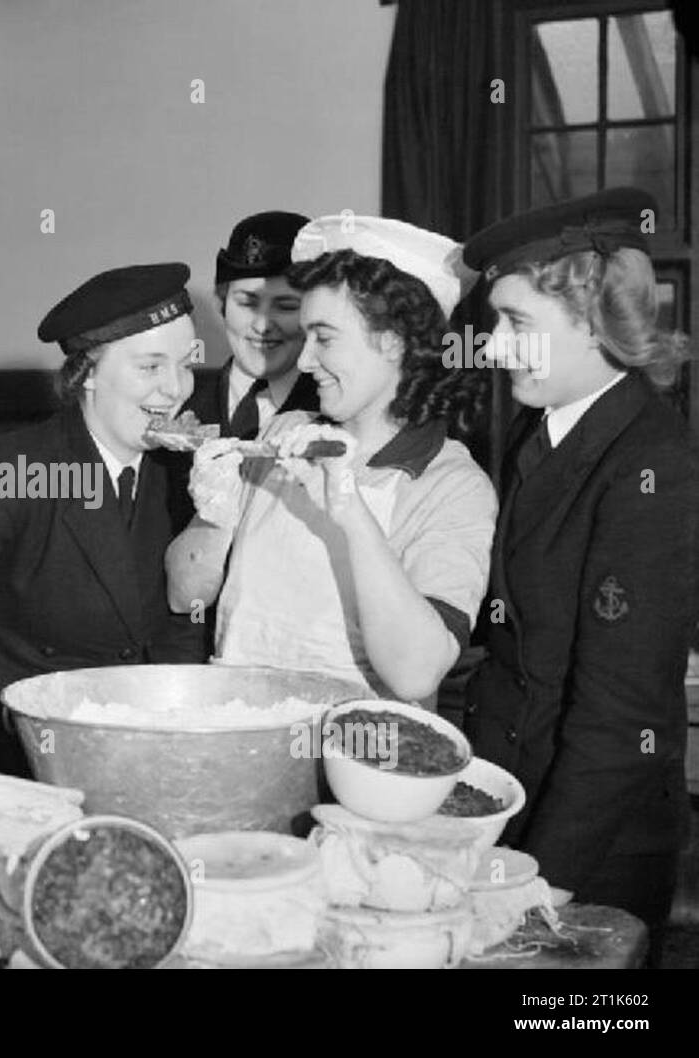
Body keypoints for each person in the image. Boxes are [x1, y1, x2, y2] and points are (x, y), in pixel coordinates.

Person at [461, 188, 699, 951]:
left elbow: (622, 710)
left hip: (592, 846)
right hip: (517, 805)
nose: (494, 347)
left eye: (517, 323)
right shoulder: (546, 429)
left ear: (596, 321)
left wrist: (540, 876)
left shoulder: (652, 466)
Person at [0, 263, 207, 771]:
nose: (175, 388)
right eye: (150, 367)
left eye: (185, 364)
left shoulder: (183, 471)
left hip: (132, 749)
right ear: (89, 373)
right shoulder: (23, 469)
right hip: (8, 755)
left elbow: (182, 626)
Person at [167, 217, 497, 704]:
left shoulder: (452, 484)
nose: (303, 361)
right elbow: (185, 596)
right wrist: (214, 514)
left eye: (324, 337)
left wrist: (350, 511)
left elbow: (417, 675)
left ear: (393, 339)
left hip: (360, 757)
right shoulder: (284, 431)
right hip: (240, 733)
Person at [184, 211, 319, 437]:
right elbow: (103, 464)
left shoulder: (340, 413)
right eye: (247, 303)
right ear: (221, 302)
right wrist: (99, 471)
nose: (262, 325)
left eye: (285, 306)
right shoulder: (174, 399)